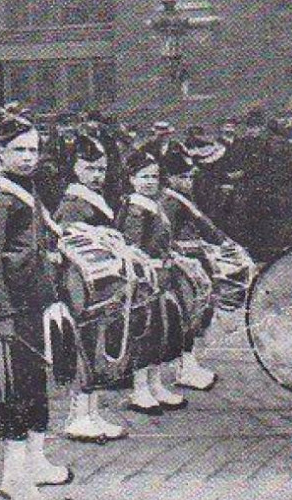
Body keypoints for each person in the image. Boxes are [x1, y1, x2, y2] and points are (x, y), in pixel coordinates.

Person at [0, 115, 72, 500]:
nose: (28, 158)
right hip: (12, 311)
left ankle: (37, 461)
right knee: (15, 392)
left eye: (33, 149)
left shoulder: (29, 191)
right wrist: (2, 316)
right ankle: (14, 477)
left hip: (37, 305)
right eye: (19, 151)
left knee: (36, 386)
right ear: (0, 154)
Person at [54, 134, 128, 443]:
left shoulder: (91, 199)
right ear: (75, 168)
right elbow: (71, 246)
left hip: (100, 284)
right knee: (84, 347)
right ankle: (78, 416)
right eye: (89, 168)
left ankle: (92, 412)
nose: (97, 175)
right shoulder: (73, 204)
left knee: (97, 347)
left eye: (101, 169)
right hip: (80, 286)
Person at [117, 147, 187, 415]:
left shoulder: (152, 205)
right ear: (132, 179)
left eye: (154, 177)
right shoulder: (136, 208)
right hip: (145, 281)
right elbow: (132, 248)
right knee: (144, 334)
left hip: (160, 278)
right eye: (143, 176)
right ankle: (140, 389)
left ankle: (155, 385)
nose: (149, 182)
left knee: (160, 333)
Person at [159, 146, 228, 392]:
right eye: (184, 176)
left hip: (188, 261)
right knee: (184, 317)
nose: (189, 181)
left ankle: (188, 364)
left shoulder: (180, 197)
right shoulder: (168, 200)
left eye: (190, 176)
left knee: (192, 316)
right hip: (177, 268)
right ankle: (184, 368)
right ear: (170, 178)